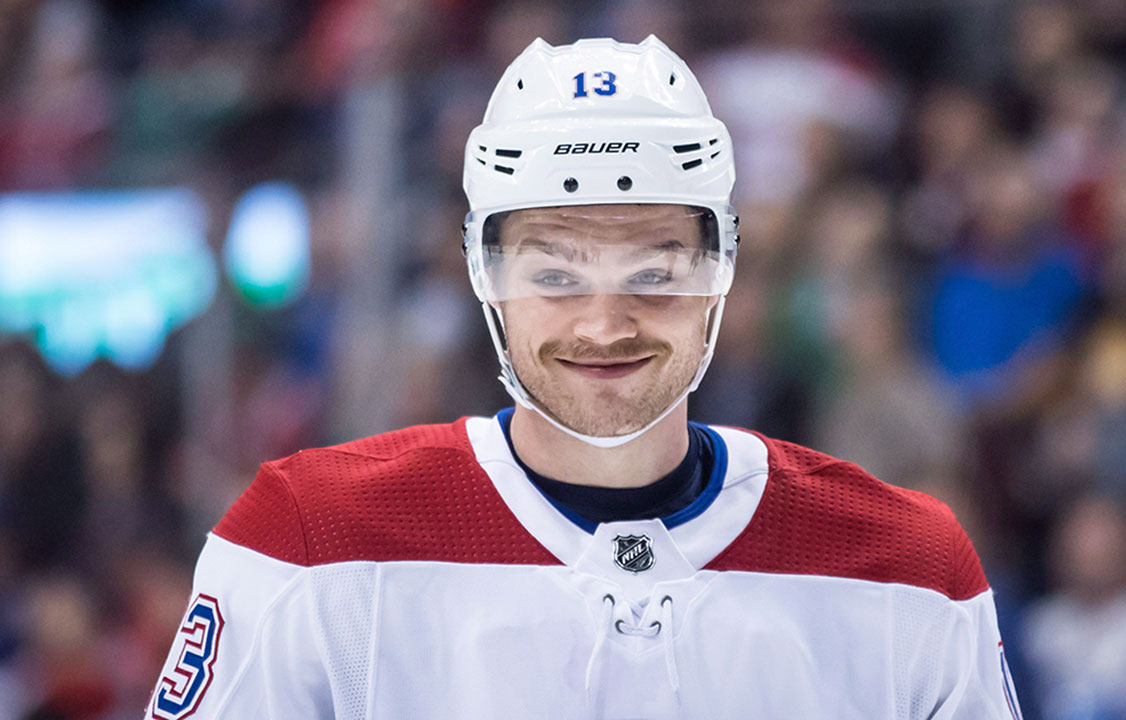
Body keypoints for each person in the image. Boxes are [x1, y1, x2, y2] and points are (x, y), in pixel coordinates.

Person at [148, 36, 1022, 719]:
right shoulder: (306, 541)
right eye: (555, 272)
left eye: (654, 270)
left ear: (723, 268)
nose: (605, 324)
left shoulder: (911, 571)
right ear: (484, 276)